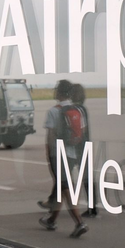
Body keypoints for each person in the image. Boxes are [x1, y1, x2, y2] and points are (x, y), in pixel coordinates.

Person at [38, 79, 88, 238]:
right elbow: (83, 132)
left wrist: (50, 156)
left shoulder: (54, 111)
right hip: (73, 154)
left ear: (59, 92)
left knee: (66, 189)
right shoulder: (78, 110)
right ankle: (51, 219)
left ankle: (79, 222)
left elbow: (51, 137)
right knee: (61, 187)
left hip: (59, 155)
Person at [71, 83, 97, 218]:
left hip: (79, 147)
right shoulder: (83, 108)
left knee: (67, 177)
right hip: (85, 145)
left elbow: (81, 129)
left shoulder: (77, 110)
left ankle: (54, 204)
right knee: (87, 177)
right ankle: (93, 206)